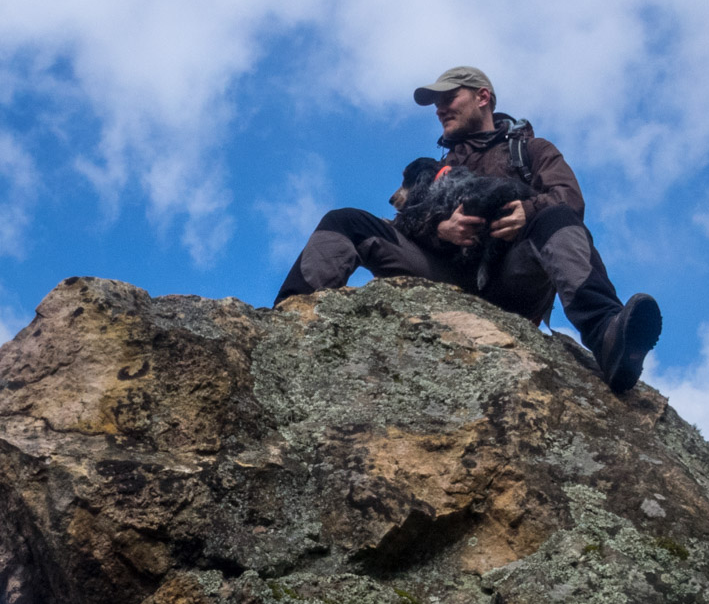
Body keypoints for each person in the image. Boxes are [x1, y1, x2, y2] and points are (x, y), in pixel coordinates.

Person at [275, 66, 662, 393]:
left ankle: (608, 337)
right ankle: (284, 322)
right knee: (345, 221)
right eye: (435, 104)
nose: (440, 109)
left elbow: (569, 198)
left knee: (558, 218)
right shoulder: (433, 167)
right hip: (446, 276)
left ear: (483, 97)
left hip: (511, 281)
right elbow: (403, 225)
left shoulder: (531, 151)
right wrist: (439, 227)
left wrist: (529, 210)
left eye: (448, 98)